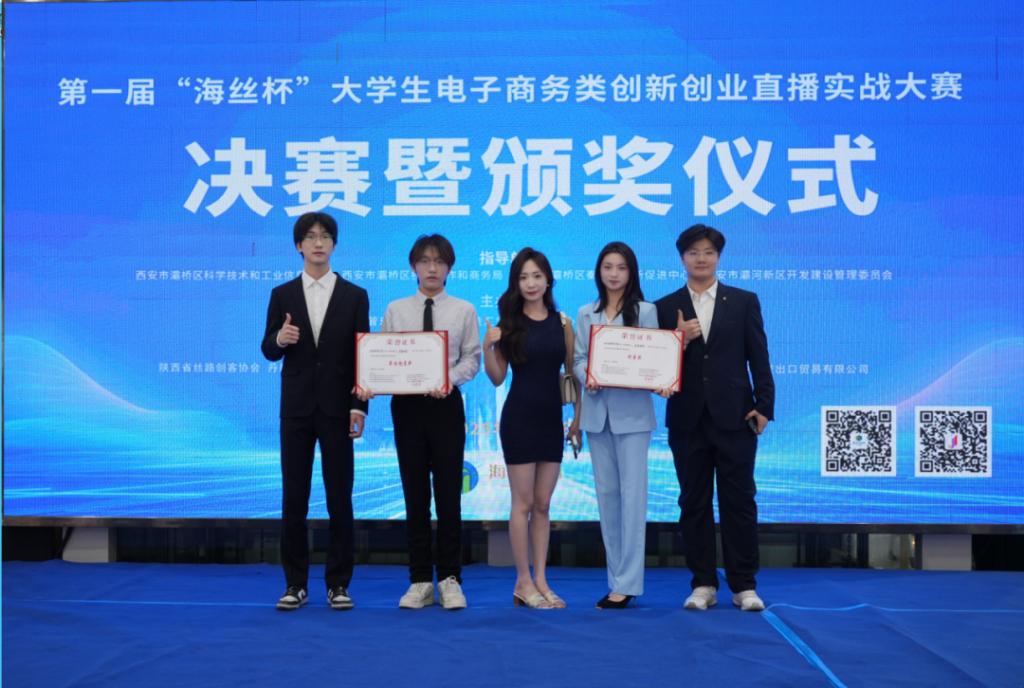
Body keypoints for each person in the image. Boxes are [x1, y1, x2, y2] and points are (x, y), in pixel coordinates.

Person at [654, 224, 775, 612]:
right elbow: (656, 368)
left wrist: (764, 405)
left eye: (708, 252)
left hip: (736, 416)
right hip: (687, 418)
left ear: (718, 257)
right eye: (693, 252)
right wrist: (678, 339)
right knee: (693, 502)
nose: (701, 259)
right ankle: (703, 583)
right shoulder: (664, 306)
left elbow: (758, 355)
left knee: (740, 501)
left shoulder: (743, 301)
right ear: (682, 258)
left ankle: (744, 585)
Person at [260, 212, 369, 611]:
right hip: (297, 408)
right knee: (294, 497)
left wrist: (360, 406)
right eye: (310, 237)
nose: (318, 243)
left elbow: (362, 354)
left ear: (334, 245)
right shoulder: (282, 294)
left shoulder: (355, 295)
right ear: (299, 246)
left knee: (340, 497)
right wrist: (280, 338)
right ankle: (295, 584)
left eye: (325, 236)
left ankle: (338, 584)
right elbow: (267, 349)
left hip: (339, 408)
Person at [371, 234, 481, 610]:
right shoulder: (396, 310)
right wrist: (373, 380)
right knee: (414, 496)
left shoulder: (463, 310)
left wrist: (448, 379)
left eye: (439, 261)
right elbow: (382, 357)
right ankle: (419, 580)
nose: (432, 268)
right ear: (413, 266)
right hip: (407, 408)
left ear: (449, 267)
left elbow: (472, 359)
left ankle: (450, 579)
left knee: (449, 496)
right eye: (425, 261)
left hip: (446, 405)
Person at [483, 248, 581, 609]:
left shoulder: (563, 323)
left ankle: (541, 579)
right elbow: (497, 378)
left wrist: (577, 421)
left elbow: (572, 375)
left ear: (548, 280)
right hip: (519, 419)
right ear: (516, 283)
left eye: (537, 276)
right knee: (522, 503)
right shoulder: (509, 325)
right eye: (523, 277)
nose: (531, 283)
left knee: (543, 504)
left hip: (551, 421)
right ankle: (522, 581)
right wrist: (487, 347)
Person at [574, 241, 668, 609]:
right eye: (608, 267)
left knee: (633, 498)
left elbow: (654, 359)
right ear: (599, 271)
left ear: (632, 273)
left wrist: (659, 378)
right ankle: (616, 579)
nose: (614, 274)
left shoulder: (646, 311)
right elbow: (578, 359)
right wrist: (589, 375)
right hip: (597, 415)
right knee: (607, 498)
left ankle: (628, 582)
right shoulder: (586, 313)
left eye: (621, 267)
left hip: (633, 417)